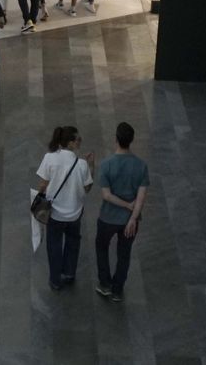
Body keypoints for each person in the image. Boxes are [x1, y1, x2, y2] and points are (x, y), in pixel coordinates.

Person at [95, 120, 149, 302]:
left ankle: (105, 284)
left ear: (116, 139)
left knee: (102, 248)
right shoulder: (141, 166)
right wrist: (132, 217)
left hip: (108, 218)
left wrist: (125, 205)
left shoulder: (106, 164)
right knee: (124, 254)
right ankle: (117, 290)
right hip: (129, 221)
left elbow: (106, 196)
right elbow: (140, 198)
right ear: (131, 140)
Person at [36, 126, 94, 291]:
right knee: (73, 242)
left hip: (54, 214)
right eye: (78, 140)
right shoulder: (82, 164)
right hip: (75, 214)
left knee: (54, 246)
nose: (80, 142)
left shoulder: (49, 158)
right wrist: (92, 166)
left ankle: (55, 280)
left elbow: (42, 184)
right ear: (70, 143)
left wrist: (40, 198)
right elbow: (88, 189)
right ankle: (69, 273)